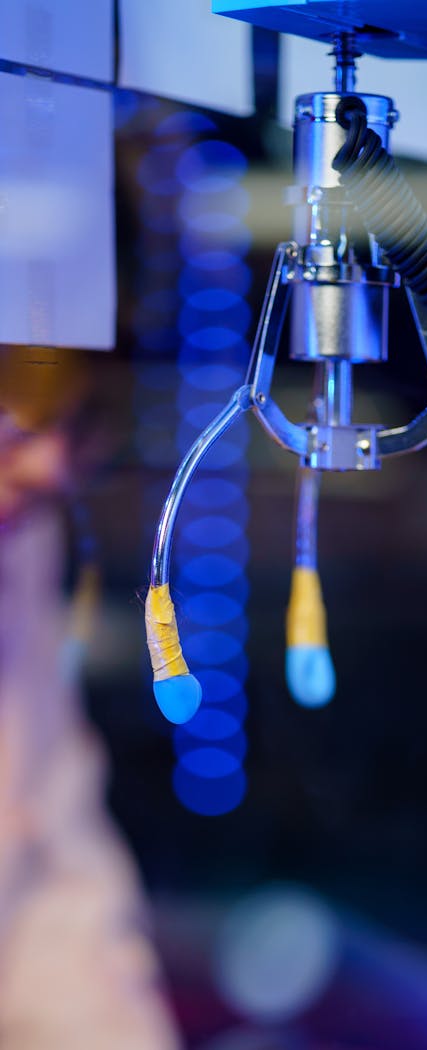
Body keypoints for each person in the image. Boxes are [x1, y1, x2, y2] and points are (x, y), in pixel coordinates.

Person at [0, 345, 181, 1049]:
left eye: (73, 427)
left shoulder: (24, 533)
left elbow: (53, 854)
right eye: (15, 423)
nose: (49, 466)